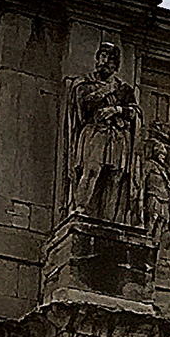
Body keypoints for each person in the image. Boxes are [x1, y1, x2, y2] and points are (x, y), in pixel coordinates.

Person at [66, 42, 141, 224]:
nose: (104, 62)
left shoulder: (124, 89)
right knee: (91, 170)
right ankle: (80, 208)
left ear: (116, 64)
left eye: (109, 59)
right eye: (101, 57)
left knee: (115, 177)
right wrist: (100, 95)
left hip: (116, 136)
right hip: (95, 133)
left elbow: (134, 113)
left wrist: (116, 109)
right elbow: (81, 106)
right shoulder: (84, 83)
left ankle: (110, 218)